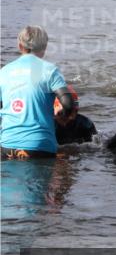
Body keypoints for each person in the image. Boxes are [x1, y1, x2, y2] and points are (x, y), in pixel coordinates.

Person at [0, 26, 74, 159]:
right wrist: (63, 115)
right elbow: (68, 103)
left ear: (19, 45)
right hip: (39, 145)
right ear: (44, 47)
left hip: (6, 145)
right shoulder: (50, 70)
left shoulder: (4, 72)